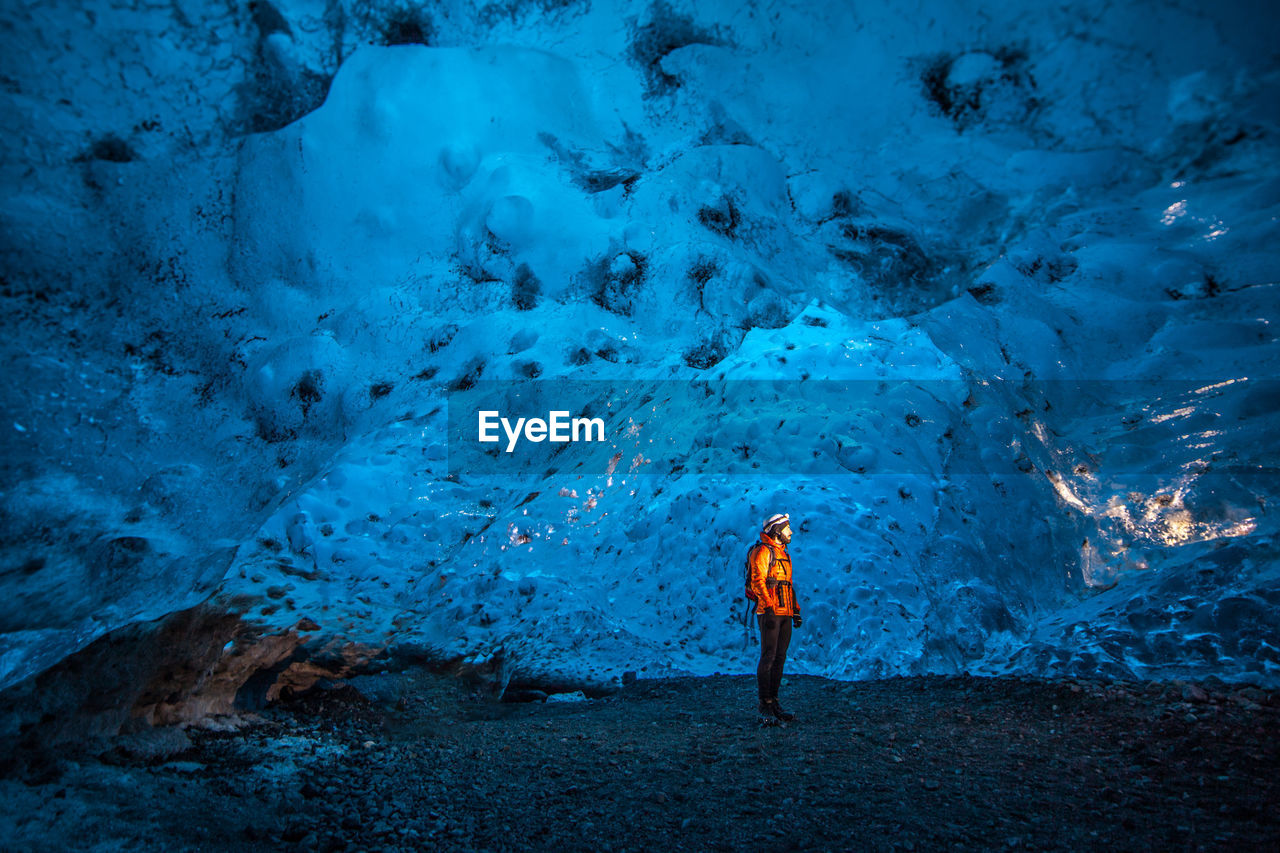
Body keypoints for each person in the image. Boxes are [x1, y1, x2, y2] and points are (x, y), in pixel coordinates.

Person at [748, 512, 801, 723]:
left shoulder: (784, 555)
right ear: (778, 530)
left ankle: (775, 701)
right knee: (769, 656)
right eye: (787, 528)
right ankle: (765, 703)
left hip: (784, 612)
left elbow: (787, 584)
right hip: (770, 612)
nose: (791, 532)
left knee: (779, 658)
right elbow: (757, 580)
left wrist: (795, 610)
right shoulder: (763, 552)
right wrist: (768, 607)